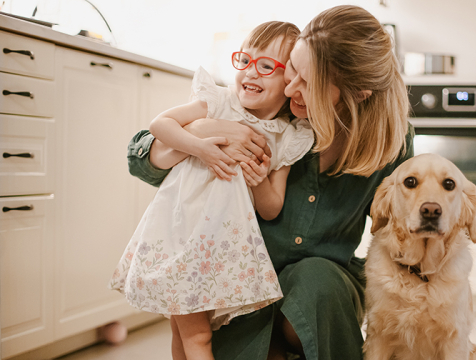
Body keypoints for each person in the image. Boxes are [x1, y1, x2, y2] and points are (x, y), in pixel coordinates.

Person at [126, 5, 414, 360]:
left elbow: (402, 235)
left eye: (308, 83)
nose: (291, 87)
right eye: (293, 68)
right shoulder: (262, 109)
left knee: (317, 281)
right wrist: (203, 132)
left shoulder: (388, 141)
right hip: (238, 282)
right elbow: (141, 160)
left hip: (322, 295)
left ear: (357, 93)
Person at [110, 21, 314, 360]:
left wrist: (258, 178)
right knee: (198, 336)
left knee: (184, 331)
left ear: (290, 81)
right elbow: (161, 125)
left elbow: (271, 208)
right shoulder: (219, 103)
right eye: (244, 61)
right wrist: (199, 146)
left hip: (222, 248)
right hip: (182, 233)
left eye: (266, 67)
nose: (251, 73)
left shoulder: (285, 137)